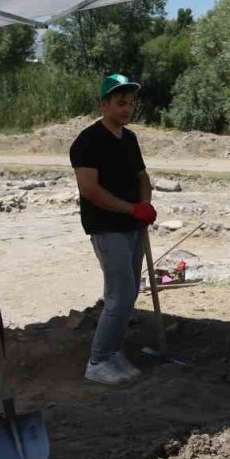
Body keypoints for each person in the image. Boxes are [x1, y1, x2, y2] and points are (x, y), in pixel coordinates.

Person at [70, 74, 156, 385]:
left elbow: (142, 177)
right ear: (104, 104)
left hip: (132, 225)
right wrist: (132, 208)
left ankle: (114, 351)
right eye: (120, 103)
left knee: (130, 292)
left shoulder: (129, 139)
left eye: (131, 104)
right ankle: (98, 360)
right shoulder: (87, 142)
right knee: (118, 295)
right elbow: (89, 190)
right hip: (107, 228)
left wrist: (144, 204)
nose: (127, 109)